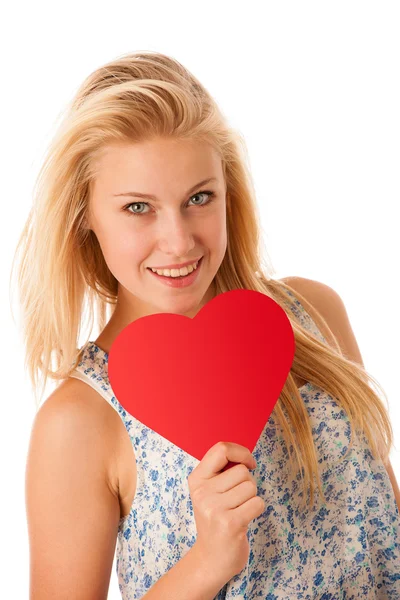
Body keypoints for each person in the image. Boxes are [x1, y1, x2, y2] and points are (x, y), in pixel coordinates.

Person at [12, 51, 399, 599]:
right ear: (85, 216)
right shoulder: (79, 422)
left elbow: (385, 521)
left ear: (227, 193)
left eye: (199, 197)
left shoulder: (313, 314)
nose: (179, 240)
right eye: (138, 207)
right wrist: (207, 560)